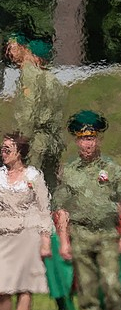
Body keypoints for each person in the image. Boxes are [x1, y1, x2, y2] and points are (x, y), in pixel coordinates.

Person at [52, 111, 121, 310]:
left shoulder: (112, 170)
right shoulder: (69, 172)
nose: (88, 143)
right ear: (77, 141)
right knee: (86, 286)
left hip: (107, 235)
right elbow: (62, 209)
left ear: (98, 140)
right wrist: (64, 241)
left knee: (112, 284)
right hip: (81, 234)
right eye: (83, 139)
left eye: (91, 138)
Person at [0, 133, 53, 310]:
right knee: (2, 285)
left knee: (25, 285)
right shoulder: (0, 177)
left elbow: (43, 208)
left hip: (28, 234)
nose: (3, 153)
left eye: (8, 149)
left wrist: (45, 240)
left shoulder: (33, 176)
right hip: (4, 234)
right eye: (2, 149)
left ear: (19, 153)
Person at [6, 34, 66, 194]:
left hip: (35, 142)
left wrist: (21, 139)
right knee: (49, 186)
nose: (10, 52)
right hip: (53, 140)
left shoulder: (29, 74)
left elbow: (29, 108)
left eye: (12, 46)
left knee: (28, 187)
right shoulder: (54, 80)